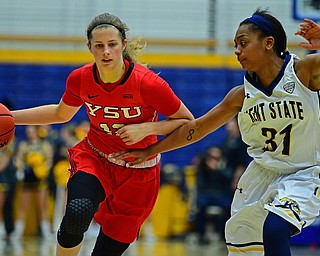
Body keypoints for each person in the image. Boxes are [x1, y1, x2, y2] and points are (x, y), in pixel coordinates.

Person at [112, 9, 320, 256]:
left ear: (268, 43)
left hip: (306, 171)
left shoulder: (305, 71)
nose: (237, 51)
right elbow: (196, 128)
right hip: (261, 175)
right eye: (235, 45)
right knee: (245, 246)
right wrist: (151, 150)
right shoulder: (240, 95)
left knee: (275, 229)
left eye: (243, 43)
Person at [11, 13, 193, 256]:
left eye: (112, 45)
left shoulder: (148, 83)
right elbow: (60, 113)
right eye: (99, 46)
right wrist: (10, 117)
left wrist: (148, 128)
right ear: (89, 48)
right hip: (96, 158)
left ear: (123, 45)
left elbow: (187, 121)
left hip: (138, 169)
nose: (106, 51)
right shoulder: (80, 78)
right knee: (76, 213)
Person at [13, 125, 54, 238]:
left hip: (40, 179)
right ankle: (18, 232)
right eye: (27, 132)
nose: (28, 133)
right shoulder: (23, 145)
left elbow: (49, 160)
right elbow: (18, 159)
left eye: (31, 131)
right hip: (27, 178)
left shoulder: (44, 145)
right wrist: (20, 168)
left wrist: (43, 169)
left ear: (36, 131)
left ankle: (46, 232)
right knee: (22, 206)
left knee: (42, 207)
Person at [195, 146, 232, 244]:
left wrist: (217, 170)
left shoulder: (224, 166)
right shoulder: (202, 168)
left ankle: (223, 234)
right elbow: (201, 186)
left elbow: (228, 179)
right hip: (206, 194)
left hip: (219, 195)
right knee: (201, 206)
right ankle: (201, 235)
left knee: (230, 206)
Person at [221, 117, 249, 191]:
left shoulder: (242, 142)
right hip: (225, 173)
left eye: (230, 125)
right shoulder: (228, 140)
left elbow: (241, 164)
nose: (228, 128)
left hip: (234, 175)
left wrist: (236, 180)